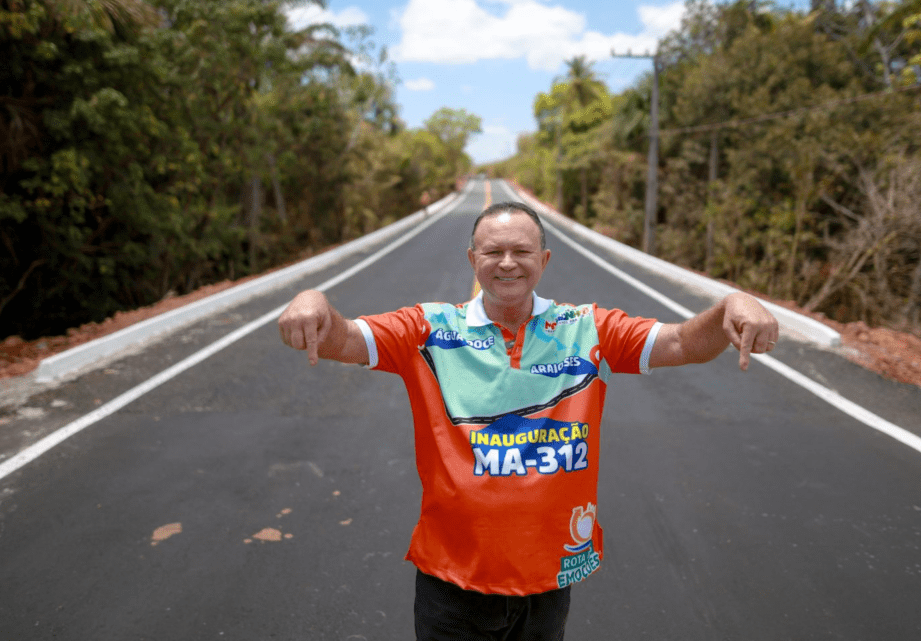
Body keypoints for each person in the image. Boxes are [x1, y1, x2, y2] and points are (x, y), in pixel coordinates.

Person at [278, 201, 778, 641]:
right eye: (492, 252)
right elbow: (345, 338)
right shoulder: (427, 328)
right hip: (452, 580)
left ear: (544, 260)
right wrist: (313, 303)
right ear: (472, 260)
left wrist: (732, 305)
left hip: (548, 578)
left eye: (521, 251)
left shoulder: (587, 328)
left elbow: (684, 343)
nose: (507, 263)